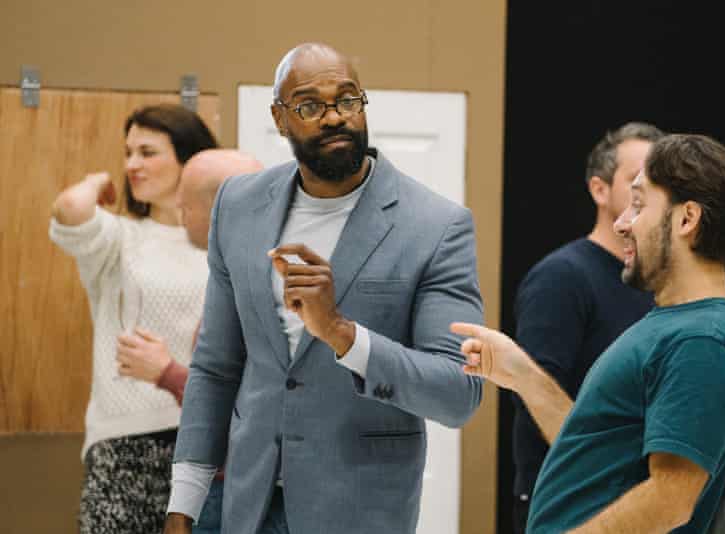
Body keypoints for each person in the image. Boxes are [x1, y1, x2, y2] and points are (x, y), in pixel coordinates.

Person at [163, 43, 483, 534]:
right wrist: (184, 502)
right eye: (310, 105)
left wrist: (341, 333)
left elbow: (458, 393)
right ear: (280, 117)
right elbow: (216, 366)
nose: (334, 117)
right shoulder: (239, 204)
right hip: (248, 505)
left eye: (348, 100)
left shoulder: (437, 227)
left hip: (359, 511)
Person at [453, 133, 725, 533]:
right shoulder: (673, 324)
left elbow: (671, 498)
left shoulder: (701, 339)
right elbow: (593, 449)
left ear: (686, 219)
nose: (621, 223)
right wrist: (521, 374)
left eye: (638, 205)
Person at [49, 103, 218, 533]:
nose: (132, 165)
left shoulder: (221, 243)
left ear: (189, 158)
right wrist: (95, 181)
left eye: (147, 152)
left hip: (201, 443)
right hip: (122, 442)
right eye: (128, 153)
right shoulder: (120, 237)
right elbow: (69, 210)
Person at [509, 122, 661, 532]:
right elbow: (536, 391)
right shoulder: (563, 276)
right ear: (599, 190)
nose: (649, 194)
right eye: (636, 182)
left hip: (648, 496)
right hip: (577, 500)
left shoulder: (660, 278)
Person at [114, 148, 263, 534]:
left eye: (185, 207)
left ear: (218, 210)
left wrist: (167, 373)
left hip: (236, 491)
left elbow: (251, 402)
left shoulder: (261, 285)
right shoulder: (238, 272)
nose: (179, 214)